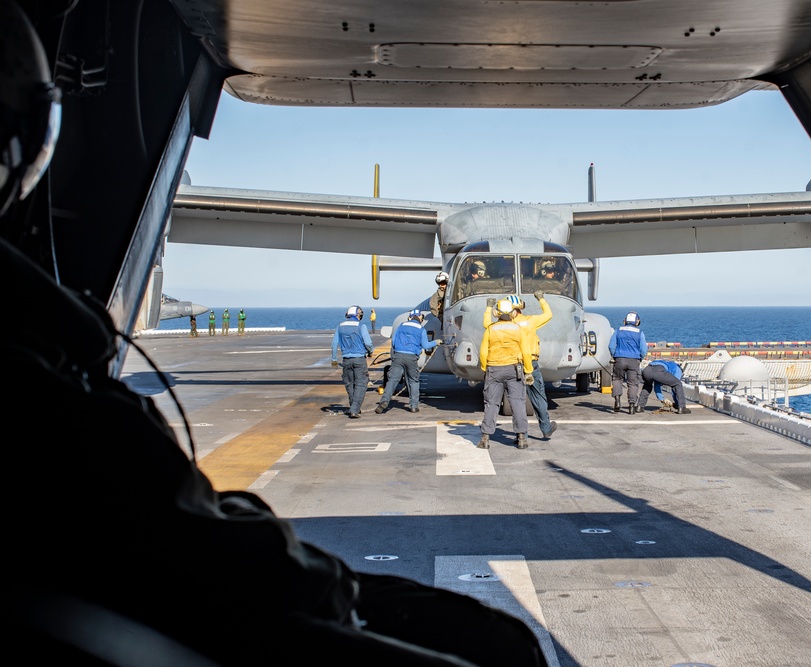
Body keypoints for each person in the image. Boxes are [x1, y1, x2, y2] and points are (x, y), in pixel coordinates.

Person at [0, 6, 545, 663]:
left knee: (458, 402)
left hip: (436, 371)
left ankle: (430, 414)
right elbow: (204, 545)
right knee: (501, 643)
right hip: (233, 607)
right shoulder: (56, 394)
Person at [485, 293, 557, 438]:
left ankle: (521, 434)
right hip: (531, 363)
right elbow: (548, 314)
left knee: (517, 400)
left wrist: (488, 308)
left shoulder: (502, 326)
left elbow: (487, 325)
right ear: (520, 308)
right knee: (538, 396)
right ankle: (545, 428)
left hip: (512, 365)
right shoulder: (530, 321)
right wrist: (541, 299)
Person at [478, 299, 533, 450]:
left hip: (494, 369)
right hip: (514, 369)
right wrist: (528, 371)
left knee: (492, 403)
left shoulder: (491, 329)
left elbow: (483, 352)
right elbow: (526, 352)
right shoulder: (518, 329)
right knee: (517, 402)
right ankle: (521, 438)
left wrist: (485, 368)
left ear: (497, 313)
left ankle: (485, 438)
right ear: (513, 313)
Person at [375, 309, 440, 414]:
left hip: (398, 356)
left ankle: (384, 402)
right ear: (420, 318)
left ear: (410, 317)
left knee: (392, 380)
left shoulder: (401, 326)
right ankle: (414, 406)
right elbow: (426, 345)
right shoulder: (421, 329)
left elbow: (394, 342)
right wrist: (436, 342)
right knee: (413, 381)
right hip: (411, 358)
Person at [333, 305, 374, 418]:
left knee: (350, 384)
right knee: (361, 384)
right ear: (358, 315)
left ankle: (353, 406)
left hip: (346, 360)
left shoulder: (340, 326)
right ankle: (355, 410)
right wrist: (371, 351)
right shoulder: (361, 326)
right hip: (359, 359)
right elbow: (368, 343)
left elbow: (334, 343)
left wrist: (334, 359)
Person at [609, 311, 647, 414]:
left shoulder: (618, 331)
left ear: (625, 321)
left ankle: (617, 400)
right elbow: (643, 350)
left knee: (617, 379)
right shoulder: (639, 333)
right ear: (637, 321)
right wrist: (640, 358)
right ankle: (631, 406)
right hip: (634, 360)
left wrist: (615, 355)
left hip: (619, 359)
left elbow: (611, 346)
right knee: (633, 383)